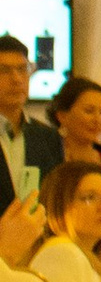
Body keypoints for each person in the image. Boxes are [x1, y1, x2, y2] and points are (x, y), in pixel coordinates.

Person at [48, 78, 101, 257]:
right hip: (56, 247)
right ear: (62, 115)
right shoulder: (47, 152)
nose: (97, 120)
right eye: (89, 111)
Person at [0, 35, 62, 206]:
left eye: (23, 69)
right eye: (4, 70)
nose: (16, 79)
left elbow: (56, 198)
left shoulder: (49, 137)